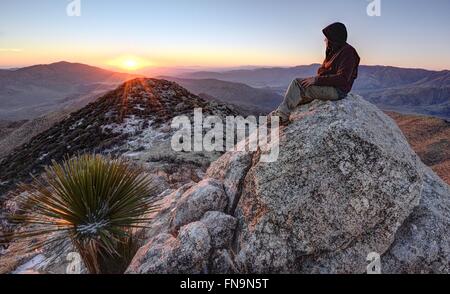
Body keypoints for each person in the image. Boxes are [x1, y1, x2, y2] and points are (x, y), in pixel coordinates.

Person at [271, 22, 360, 124]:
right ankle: (280, 113)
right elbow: (322, 70)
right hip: (330, 86)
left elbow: (343, 78)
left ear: (334, 37)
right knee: (296, 95)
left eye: (327, 37)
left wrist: (316, 80)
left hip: (338, 90)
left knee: (297, 84)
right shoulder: (334, 50)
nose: (325, 40)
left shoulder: (348, 52)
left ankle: (282, 117)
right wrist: (318, 78)